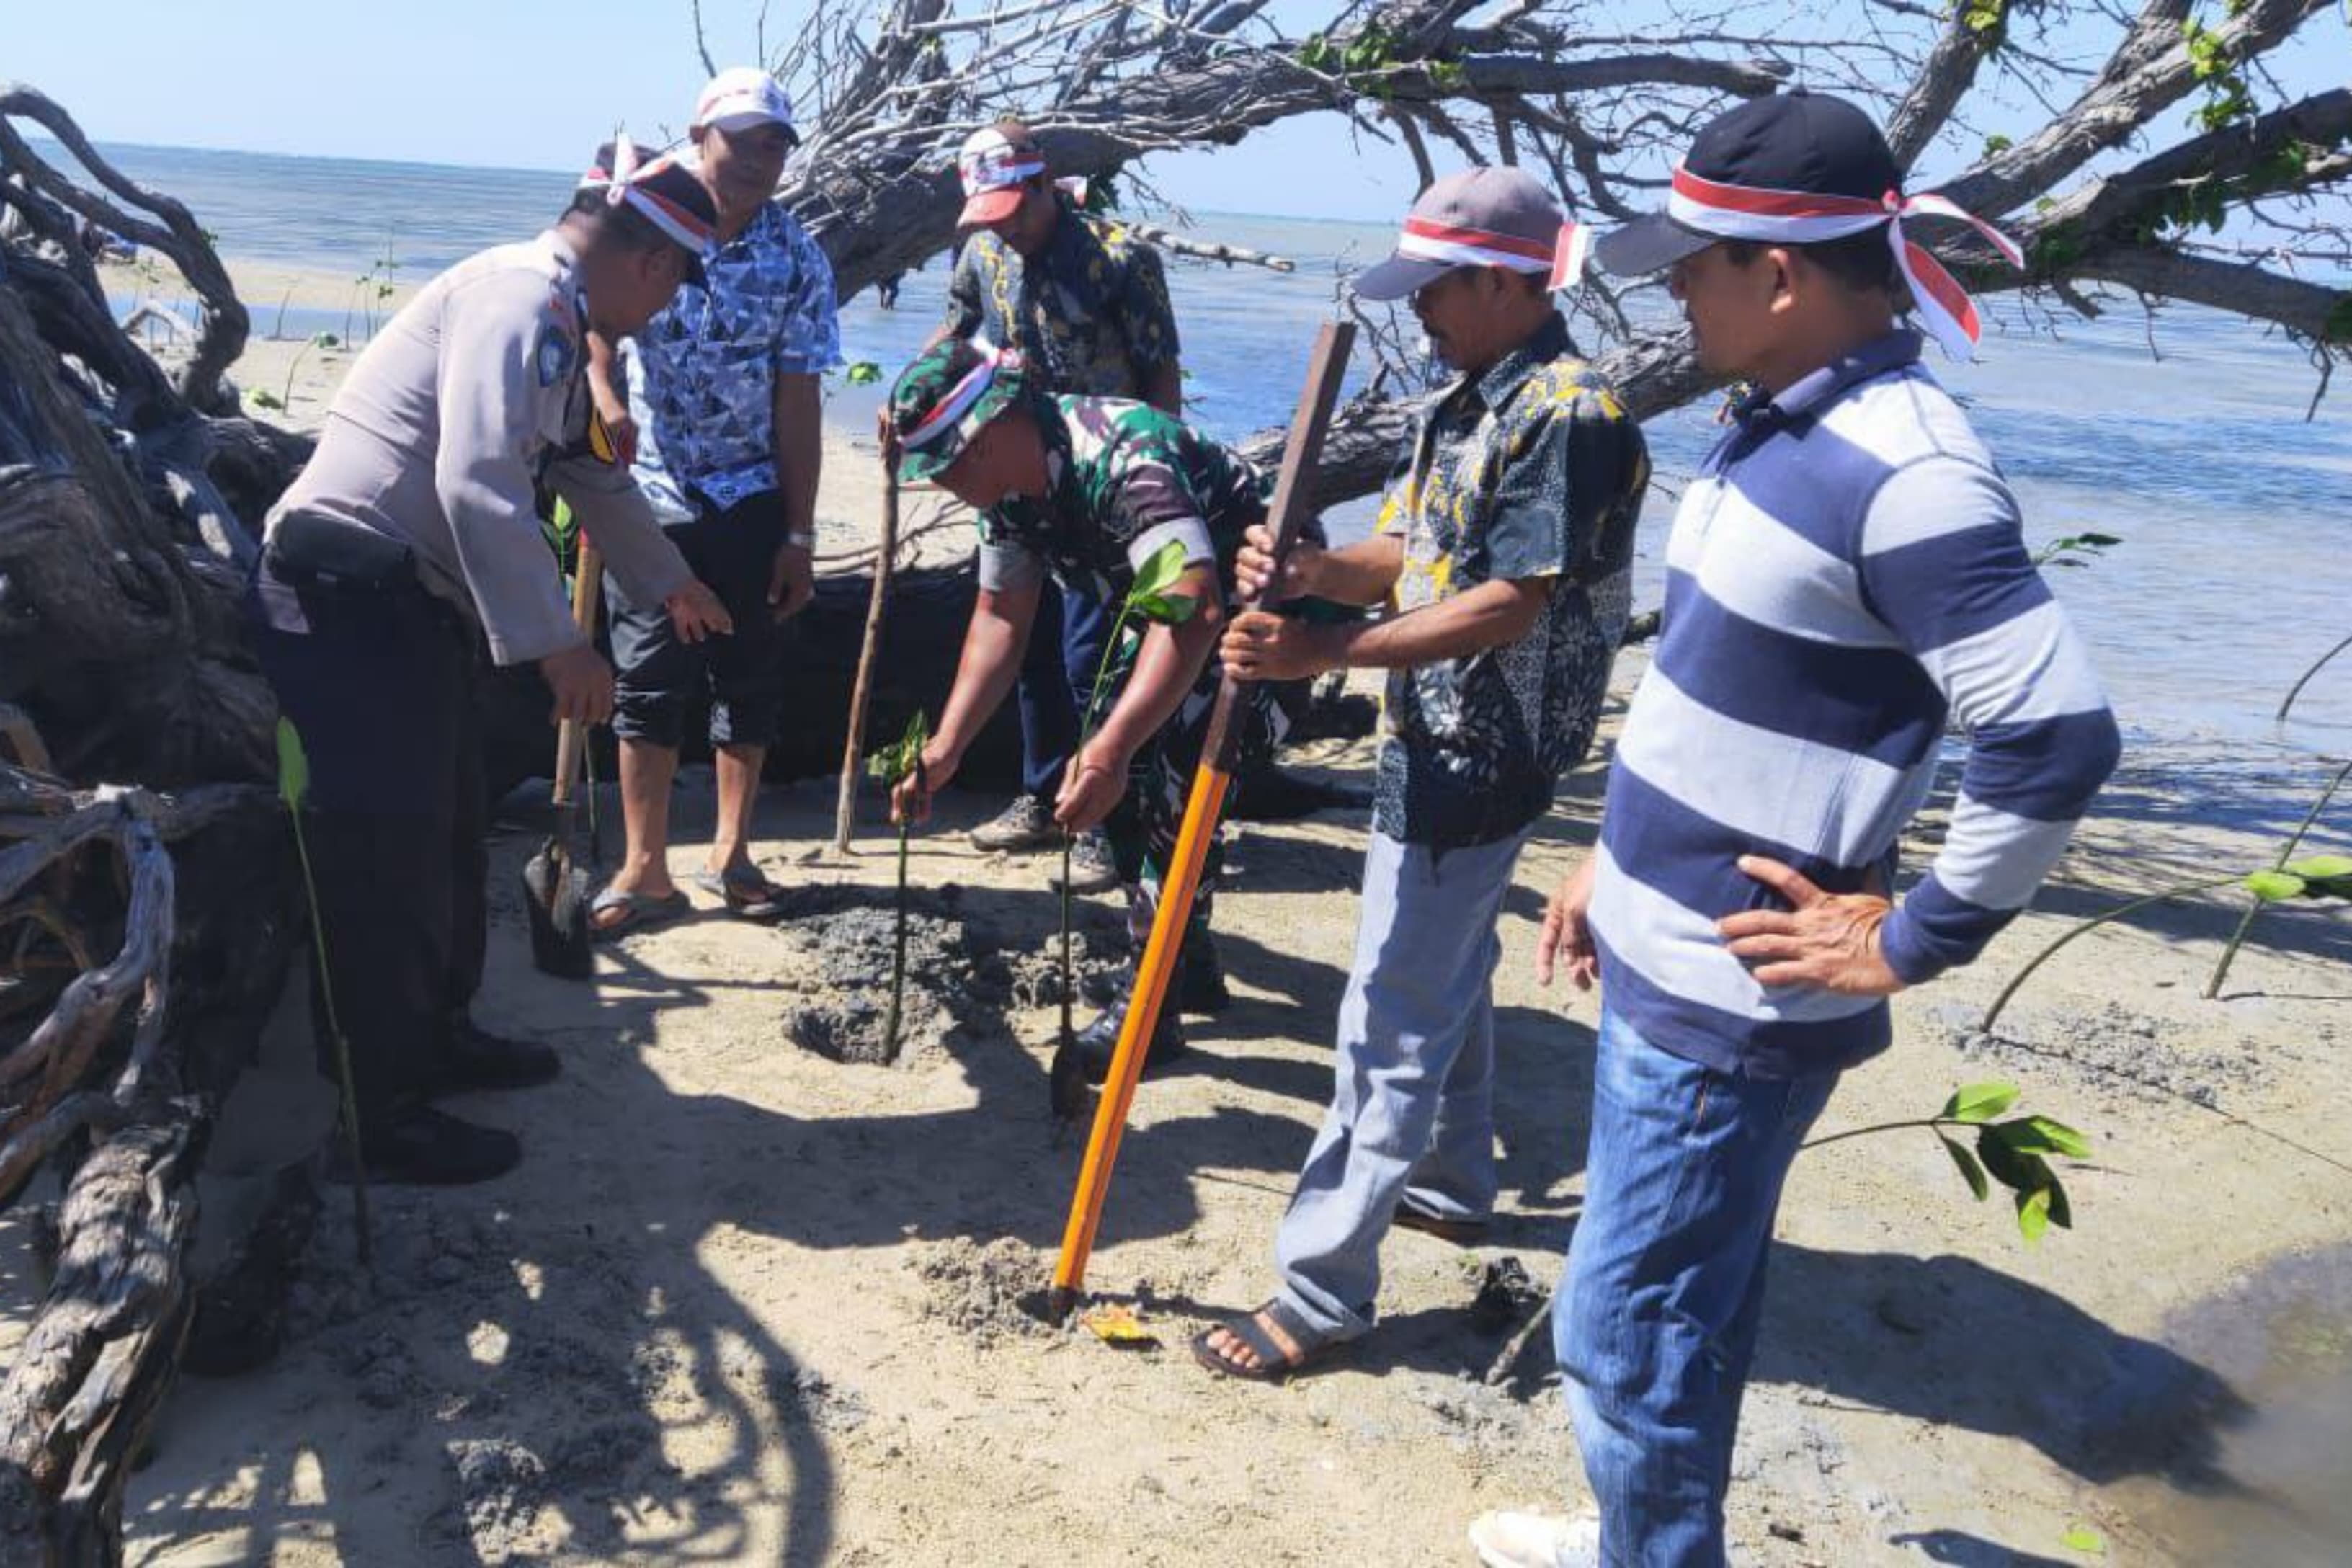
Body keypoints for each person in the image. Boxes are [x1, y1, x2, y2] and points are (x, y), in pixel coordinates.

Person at [1466, 92, 2122, 1568]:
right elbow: (1719, 687)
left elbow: (2058, 731)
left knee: (1626, 1318)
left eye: (1692, 264)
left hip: (1733, 998)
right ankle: (1648, 1530)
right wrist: (1612, 856)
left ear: (1778, 280)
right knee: (1673, 1300)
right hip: (1660, 942)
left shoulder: (1908, 470)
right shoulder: (1774, 425)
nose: (1673, 290)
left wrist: (1914, 933)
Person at [1185, 169, 1647, 1383]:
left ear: (1500, 282)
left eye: (1435, 287)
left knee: (1385, 1011)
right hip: (1431, 727)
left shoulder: (1567, 415)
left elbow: (1507, 603)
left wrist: (1319, 650)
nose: (1418, 310)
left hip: (1480, 744)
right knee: (1446, 963)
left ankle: (1319, 1290)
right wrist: (1315, 569)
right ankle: (1449, 1180)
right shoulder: (1466, 402)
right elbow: (1420, 554)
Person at [248, 141, 734, 1185]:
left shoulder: (557, 316)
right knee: (389, 859)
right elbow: (476, 484)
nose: (662, 312)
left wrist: (671, 582)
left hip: (410, 606)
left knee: (451, 830)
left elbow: (584, 477)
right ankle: (380, 1111)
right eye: (676, 288)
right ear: (654, 267)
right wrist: (560, 645)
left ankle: (439, 1036)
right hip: (344, 600)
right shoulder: (521, 304)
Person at [883, 337, 1300, 1078]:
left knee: (1160, 773)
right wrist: (946, 745)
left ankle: (1154, 1000)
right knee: (1107, 769)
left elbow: (1195, 611)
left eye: (947, 464)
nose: (944, 483)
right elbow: (1001, 617)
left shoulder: (1124, 460)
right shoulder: (1010, 496)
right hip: (1175, 627)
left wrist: (1113, 751)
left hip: (1271, 629)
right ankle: (1188, 958)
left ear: (986, 434)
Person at [584, 68, 841, 933]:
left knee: (749, 677)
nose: (759, 159)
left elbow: (799, 398)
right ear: (701, 139)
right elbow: (592, 322)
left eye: (775, 144)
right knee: (647, 680)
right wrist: (606, 397)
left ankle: (732, 852)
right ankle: (644, 866)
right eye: (743, 140)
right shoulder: (646, 223)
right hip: (651, 492)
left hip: (751, 495)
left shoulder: (798, 256)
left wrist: (799, 531)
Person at [927, 120, 1185, 908]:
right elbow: (959, 331)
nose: (1003, 223)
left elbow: (1160, 369)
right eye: (989, 211)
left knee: (1093, 654)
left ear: (1046, 185)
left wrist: (1162, 472)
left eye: (1013, 206)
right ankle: (1043, 794)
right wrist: (924, 386)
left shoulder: (1120, 257)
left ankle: (1114, 819)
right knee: (1020, 641)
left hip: (1105, 481)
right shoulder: (982, 251)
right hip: (1007, 471)